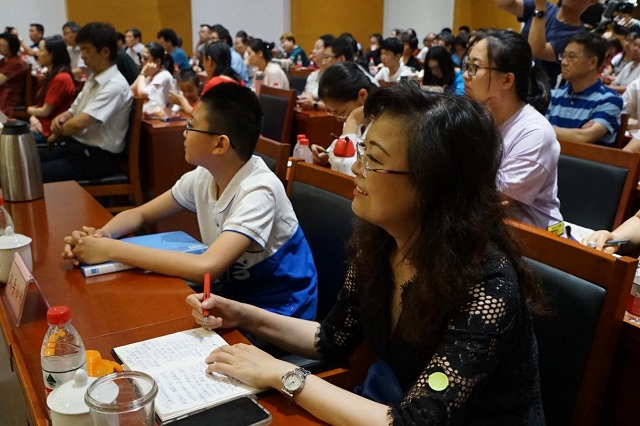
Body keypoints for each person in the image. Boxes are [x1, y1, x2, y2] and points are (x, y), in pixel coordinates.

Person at [186, 82, 545, 424]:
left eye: (373, 159)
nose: (357, 168)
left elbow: (418, 420)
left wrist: (283, 374)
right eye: (362, 151)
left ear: (432, 182)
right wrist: (241, 314)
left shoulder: (487, 282)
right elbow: (333, 338)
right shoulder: (381, 240)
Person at [63, 83, 318, 320]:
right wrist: (101, 237)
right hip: (231, 300)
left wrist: (109, 250)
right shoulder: (204, 176)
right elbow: (140, 214)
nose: (184, 133)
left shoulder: (259, 190)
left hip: (279, 311)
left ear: (220, 144)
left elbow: (206, 267)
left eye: (191, 125)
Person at [464, 30, 563, 232]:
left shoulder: (535, 133)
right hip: (488, 229)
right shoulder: (478, 116)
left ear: (507, 80)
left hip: (535, 237)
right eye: (467, 65)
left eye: (475, 67)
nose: (466, 75)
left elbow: (492, 200)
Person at [40, 22, 132, 183]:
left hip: (97, 158)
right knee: (28, 159)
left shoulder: (115, 85)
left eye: (86, 50)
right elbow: (73, 111)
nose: (82, 56)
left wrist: (57, 131)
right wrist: (62, 117)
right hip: (78, 149)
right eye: (81, 50)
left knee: (32, 173)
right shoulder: (93, 78)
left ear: (105, 52)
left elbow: (78, 124)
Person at [494, 0, 596, 86]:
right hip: (510, 77)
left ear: (591, 1)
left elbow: (535, 50)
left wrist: (540, 8)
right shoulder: (547, 7)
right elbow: (503, 3)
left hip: (535, 90)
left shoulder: (577, 36)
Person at [546, 32, 622, 146]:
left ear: (592, 62)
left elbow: (584, 138)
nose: (564, 62)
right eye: (563, 56)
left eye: (571, 57)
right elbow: (533, 129)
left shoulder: (610, 100)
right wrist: (576, 133)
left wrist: (546, 129)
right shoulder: (554, 95)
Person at [310, 62, 374, 176]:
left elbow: (349, 172)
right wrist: (328, 155)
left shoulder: (386, 125)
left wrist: (352, 119)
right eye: (331, 112)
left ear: (362, 95)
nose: (339, 119)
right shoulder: (352, 116)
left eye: (342, 112)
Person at [27, 36, 75, 144]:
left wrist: (29, 110)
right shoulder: (51, 75)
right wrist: (33, 117)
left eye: (41, 50)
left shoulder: (61, 78)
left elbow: (45, 111)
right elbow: (40, 107)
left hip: (48, 130)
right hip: (40, 124)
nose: (37, 54)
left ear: (52, 54)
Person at [131, 42, 176, 109]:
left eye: (145, 58)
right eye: (141, 57)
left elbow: (143, 94)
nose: (142, 60)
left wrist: (142, 74)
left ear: (157, 61)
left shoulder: (163, 75)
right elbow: (131, 90)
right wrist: (142, 74)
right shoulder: (150, 73)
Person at [296, 34, 334, 110]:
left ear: (328, 51)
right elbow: (305, 94)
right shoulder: (312, 75)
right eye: (314, 48)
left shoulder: (335, 76)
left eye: (317, 48)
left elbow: (336, 105)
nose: (313, 51)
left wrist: (314, 104)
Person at [0, 32, 27, 116]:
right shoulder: (3, 61)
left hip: (9, 98)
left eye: (1, 45)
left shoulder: (16, 63)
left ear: (11, 47)